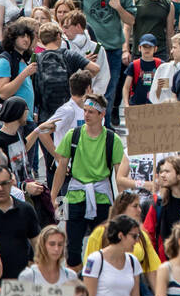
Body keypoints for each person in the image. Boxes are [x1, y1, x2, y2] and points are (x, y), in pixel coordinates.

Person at [52, 93, 125, 266]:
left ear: (102, 114)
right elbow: (62, 167)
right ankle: (76, 281)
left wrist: (122, 202)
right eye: (85, 111)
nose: (86, 115)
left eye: (91, 112)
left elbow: (118, 173)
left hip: (102, 197)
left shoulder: (112, 139)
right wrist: (54, 195)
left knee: (103, 243)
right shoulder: (73, 135)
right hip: (75, 196)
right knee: (73, 246)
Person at [84, 214, 145, 296]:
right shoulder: (95, 259)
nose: (137, 241)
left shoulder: (133, 261)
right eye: (134, 236)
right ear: (120, 235)